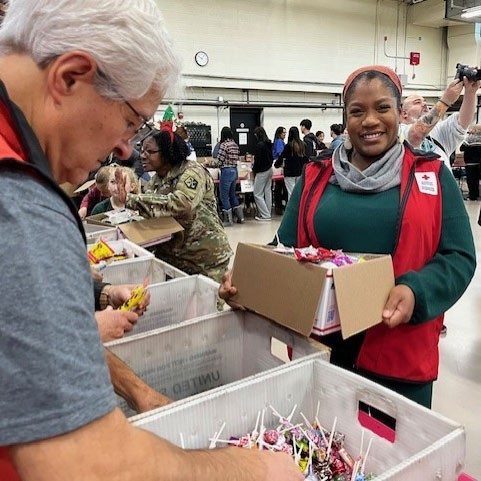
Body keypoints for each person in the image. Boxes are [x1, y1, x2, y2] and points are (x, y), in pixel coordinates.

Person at [0, 1, 301, 480]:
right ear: (71, 77)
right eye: (131, 121)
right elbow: (96, 468)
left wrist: (91, 295)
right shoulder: (20, 204)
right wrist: (254, 468)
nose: (125, 148)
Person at [221, 65, 476, 409]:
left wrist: (417, 291)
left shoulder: (430, 174)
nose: (370, 120)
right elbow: (282, 247)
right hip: (322, 353)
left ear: (399, 113)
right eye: (357, 111)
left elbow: (459, 256)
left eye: (382, 108)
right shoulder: (317, 175)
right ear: (346, 117)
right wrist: (248, 280)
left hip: (397, 357)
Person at [117, 129, 233, 283]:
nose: (143, 155)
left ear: (167, 153)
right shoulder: (156, 180)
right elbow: (152, 212)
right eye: (142, 150)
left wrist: (132, 199)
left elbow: (181, 204)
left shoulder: (192, 172)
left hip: (204, 258)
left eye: (150, 151)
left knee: (208, 304)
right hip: (174, 258)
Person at [400, 77, 478, 172]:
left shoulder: (438, 131)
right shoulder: (398, 132)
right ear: (404, 113)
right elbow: (416, 135)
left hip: (443, 186)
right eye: (417, 102)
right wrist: (445, 101)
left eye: (425, 101)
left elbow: (463, 121)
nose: (424, 104)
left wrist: (471, 92)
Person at [215, 126, 244, 225]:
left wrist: (210, 164)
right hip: (234, 171)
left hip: (226, 171)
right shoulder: (235, 145)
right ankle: (241, 218)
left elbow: (219, 160)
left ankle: (228, 220)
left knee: (224, 196)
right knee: (232, 194)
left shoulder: (224, 145)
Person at [274, 126, 308, 199]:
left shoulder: (288, 145)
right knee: (299, 192)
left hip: (290, 172)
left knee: (291, 193)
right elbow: (306, 159)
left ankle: (292, 209)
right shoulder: (303, 144)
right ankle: (300, 209)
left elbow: (281, 156)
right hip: (300, 171)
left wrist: (276, 165)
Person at [253, 126, 274, 221]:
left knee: (257, 194)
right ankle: (268, 212)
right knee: (267, 191)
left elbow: (257, 161)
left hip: (262, 171)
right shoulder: (269, 143)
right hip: (270, 169)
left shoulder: (259, 145)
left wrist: (254, 170)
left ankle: (265, 215)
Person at [460, 125, 481, 200]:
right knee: (478, 180)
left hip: (471, 163)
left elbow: (461, 148)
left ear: (474, 130)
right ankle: (478, 196)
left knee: (471, 181)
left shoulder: (470, 139)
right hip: (479, 163)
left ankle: (473, 196)